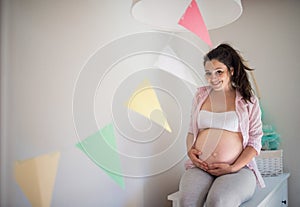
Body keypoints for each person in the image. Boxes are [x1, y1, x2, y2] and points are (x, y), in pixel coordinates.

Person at [179, 43, 265, 207]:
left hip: (238, 170)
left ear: (231, 71)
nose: (213, 78)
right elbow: (191, 131)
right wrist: (191, 152)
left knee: (218, 201)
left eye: (219, 72)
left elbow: (255, 141)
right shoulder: (200, 96)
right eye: (208, 73)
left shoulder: (248, 100)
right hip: (201, 168)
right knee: (186, 201)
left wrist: (232, 168)